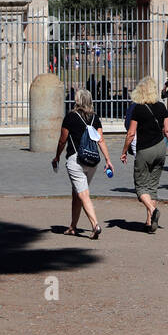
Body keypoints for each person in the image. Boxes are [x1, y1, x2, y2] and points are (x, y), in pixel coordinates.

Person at [52, 88, 114, 240]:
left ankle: (95, 225)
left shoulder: (71, 117)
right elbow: (101, 140)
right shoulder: (95, 118)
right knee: (77, 193)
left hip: (76, 160)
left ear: (77, 101)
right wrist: (108, 159)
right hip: (92, 160)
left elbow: (62, 140)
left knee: (83, 194)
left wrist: (57, 156)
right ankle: (73, 226)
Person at [121, 76, 168, 232]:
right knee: (152, 187)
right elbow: (167, 130)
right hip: (160, 148)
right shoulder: (161, 107)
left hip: (144, 149)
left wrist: (124, 151)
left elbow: (131, 133)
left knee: (140, 188)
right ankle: (149, 222)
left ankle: (153, 212)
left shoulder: (138, 109)